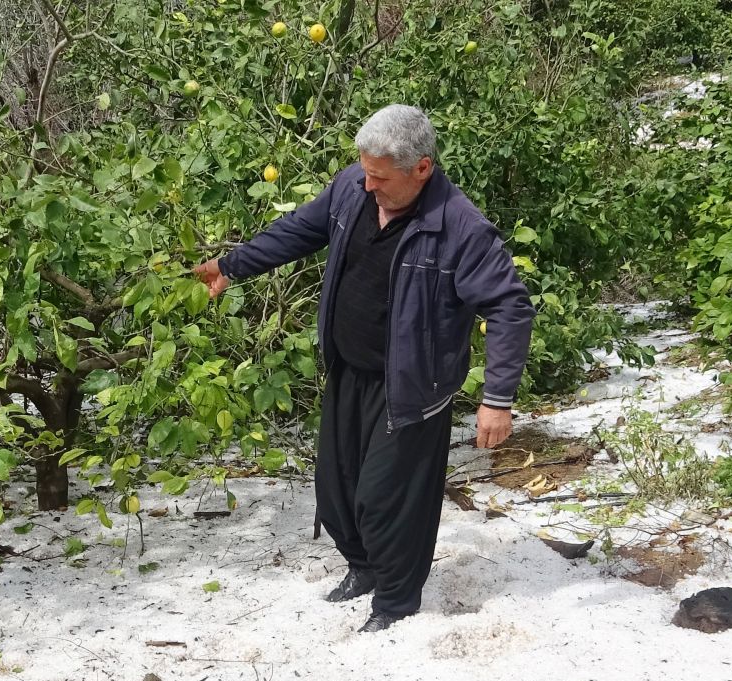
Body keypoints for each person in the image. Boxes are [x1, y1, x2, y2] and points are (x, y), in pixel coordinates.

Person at [193, 104, 535, 633]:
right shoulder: (354, 187)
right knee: (337, 491)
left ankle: (397, 604)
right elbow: (299, 231)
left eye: (380, 176)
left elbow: (510, 308)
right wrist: (231, 264)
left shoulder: (460, 229)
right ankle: (365, 570)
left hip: (413, 387)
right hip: (349, 369)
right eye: (364, 171)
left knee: (388, 500)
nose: (368, 185)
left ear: (421, 168)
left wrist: (498, 399)